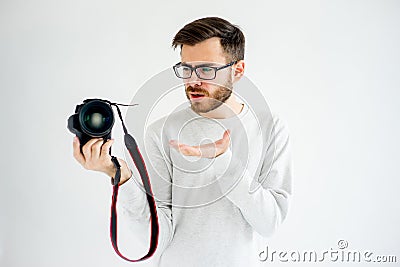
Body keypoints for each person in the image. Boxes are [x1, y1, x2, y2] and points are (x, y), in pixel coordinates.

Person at [73, 17, 292, 267]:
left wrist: (224, 163)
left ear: (238, 70)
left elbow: (269, 223)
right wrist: (121, 177)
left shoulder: (271, 128)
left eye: (207, 70)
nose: (193, 81)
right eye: (186, 69)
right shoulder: (161, 133)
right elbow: (156, 239)